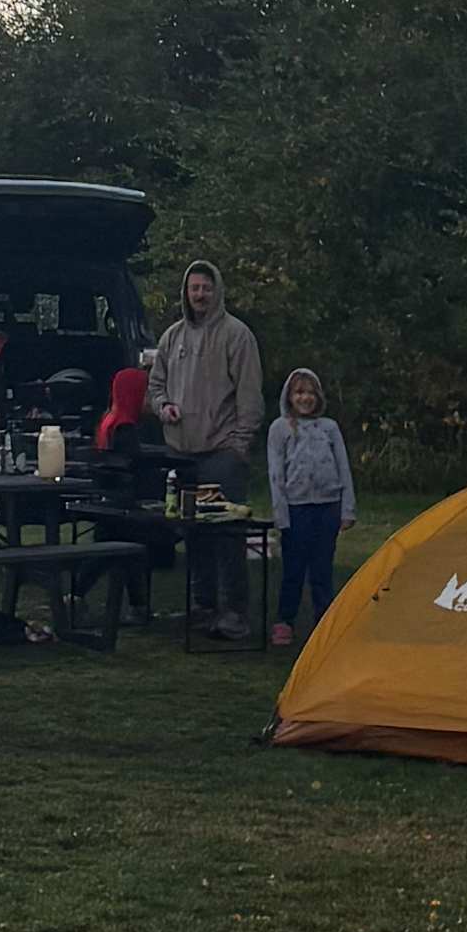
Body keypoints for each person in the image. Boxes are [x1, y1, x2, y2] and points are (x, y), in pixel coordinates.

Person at [146, 259, 264, 635]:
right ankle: (202, 607)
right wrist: (163, 407)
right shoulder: (172, 337)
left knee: (227, 534)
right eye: (194, 288)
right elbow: (155, 387)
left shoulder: (237, 335)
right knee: (193, 535)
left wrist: (239, 446)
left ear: (217, 291)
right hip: (182, 453)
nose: (200, 294)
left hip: (222, 453)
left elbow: (250, 396)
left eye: (206, 288)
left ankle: (235, 613)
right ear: (186, 292)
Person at [264, 366, 355, 646]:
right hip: (296, 507)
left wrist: (347, 508)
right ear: (290, 396)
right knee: (293, 568)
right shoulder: (280, 428)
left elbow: (343, 467)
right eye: (299, 393)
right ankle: (285, 620)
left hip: (327, 506)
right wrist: (282, 515)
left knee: (322, 569)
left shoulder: (329, 428)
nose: (305, 398)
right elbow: (276, 473)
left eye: (310, 393)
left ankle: (324, 621)